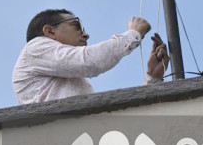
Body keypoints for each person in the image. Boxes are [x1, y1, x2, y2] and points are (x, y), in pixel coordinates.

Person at [12, 9, 169, 105]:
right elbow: (90, 61)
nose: (86, 35)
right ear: (50, 31)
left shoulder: (63, 78)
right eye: (77, 26)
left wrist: (152, 79)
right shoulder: (35, 48)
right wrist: (133, 34)